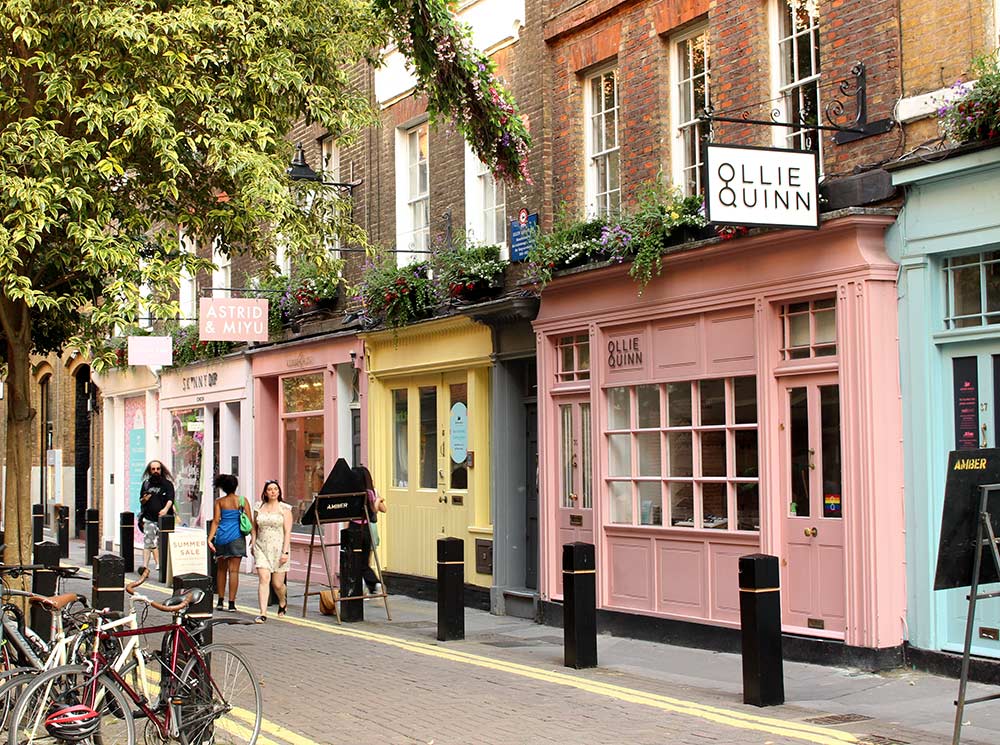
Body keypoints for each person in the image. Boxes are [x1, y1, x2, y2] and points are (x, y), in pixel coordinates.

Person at [207, 473, 253, 612]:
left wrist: (210, 538)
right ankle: (232, 603)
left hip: (222, 537)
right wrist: (253, 537)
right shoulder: (242, 501)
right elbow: (250, 521)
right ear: (235, 486)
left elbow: (215, 521)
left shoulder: (219, 502)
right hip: (237, 538)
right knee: (234, 572)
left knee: (221, 570)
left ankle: (220, 601)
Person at [251, 480, 293, 623]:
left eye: (276, 489)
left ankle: (282, 601)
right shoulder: (259, 507)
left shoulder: (285, 509)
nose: (273, 491)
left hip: (279, 548)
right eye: (270, 489)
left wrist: (285, 552)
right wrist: (253, 541)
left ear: (279, 492)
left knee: (277, 584)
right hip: (261, 547)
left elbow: (288, 532)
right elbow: (254, 526)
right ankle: (262, 613)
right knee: (264, 579)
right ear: (265, 492)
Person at [351, 465, 386, 596]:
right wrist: (378, 500)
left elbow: (373, 510)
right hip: (367, 529)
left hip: (356, 527)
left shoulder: (354, 493)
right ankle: (373, 585)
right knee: (365, 561)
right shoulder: (371, 492)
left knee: (355, 561)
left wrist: (376, 502)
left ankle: (371, 584)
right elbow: (382, 508)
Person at [138, 460, 175, 572]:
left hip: (164, 519)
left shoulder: (167, 484)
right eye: (153, 469)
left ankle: (160, 564)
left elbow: (170, 499)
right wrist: (145, 499)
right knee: (148, 542)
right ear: (150, 471)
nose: (156, 471)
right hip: (149, 517)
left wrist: (165, 509)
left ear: (161, 470)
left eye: (158, 469)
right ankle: (145, 566)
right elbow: (141, 500)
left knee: (160, 543)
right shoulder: (146, 484)